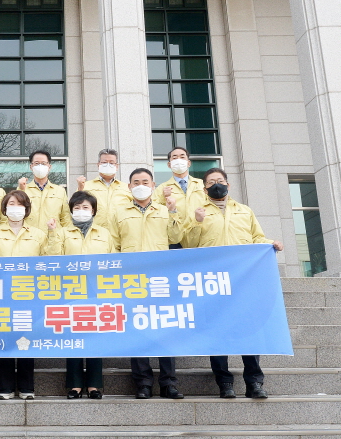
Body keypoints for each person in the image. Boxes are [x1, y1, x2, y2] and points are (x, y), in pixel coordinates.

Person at [187, 167, 284, 400]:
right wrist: (197, 223)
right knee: (217, 332)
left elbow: (256, 238)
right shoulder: (198, 212)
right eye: (211, 182)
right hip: (212, 282)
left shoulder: (244, 211)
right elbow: (188, 243)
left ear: (228, 185)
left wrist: (271, 243)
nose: (216, 185)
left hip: (243, 282)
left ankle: (254, 382)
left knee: (248, 330)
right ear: (204, 188)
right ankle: (224, 382)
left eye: (220, 181)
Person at [108, 167, 186, 400]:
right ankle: (143, 383)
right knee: (138, 331)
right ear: (129, 187)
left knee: (164, 330)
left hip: (160, 278)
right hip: (132, 279)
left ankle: (168, 382)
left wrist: (173, 213)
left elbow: (176, 238)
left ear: (153, 186)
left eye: (145, 181)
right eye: (135, 182)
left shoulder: (164, 210)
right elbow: (114, 246)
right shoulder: (119, 213)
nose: (140, 185)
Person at [0, 190, 60, 399]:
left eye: (20, 204)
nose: (15, 208)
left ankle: (26, 388)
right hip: (3, 293)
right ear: (5, 209)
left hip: (29, 293)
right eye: (11, 204)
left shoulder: (38, 233)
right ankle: (4, 388)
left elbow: (50, 260)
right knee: (5, 337)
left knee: (26, 338)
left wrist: (52, 233)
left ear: (26, 209)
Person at [59, 191, 115, 399]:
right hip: (71, 290)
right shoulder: (63, 232)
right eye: (77, 208)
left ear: (93, 211)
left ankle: (94, 385)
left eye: (85, 208)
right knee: (73, 337)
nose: (81, 211)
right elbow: (55, 257)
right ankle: (74, 385)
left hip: (97, 291)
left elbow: (113, 262)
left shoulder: (104, 234)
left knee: (94, 337)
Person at [151, 146, 206, 249]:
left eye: (182, 157)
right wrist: (163, 198)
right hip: (174, 238)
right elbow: (153, 210)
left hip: (199, 234)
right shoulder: (162, 188)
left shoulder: (201, 184)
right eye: (174, 158)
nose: (178, 160)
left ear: (188, 163)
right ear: (169, 164)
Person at [76, 148, 132, 228]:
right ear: (98, 165)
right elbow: (75, 207)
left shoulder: (127, 187)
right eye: (104, 162)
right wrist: (80, 189)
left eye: (111, 163)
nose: (108, 165)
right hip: (94, 234)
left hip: (120, 234)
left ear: (117, 166)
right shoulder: (85, 186)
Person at [17, 150, 72, 229]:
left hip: (53, 237)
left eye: (43, 163)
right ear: (31, 167)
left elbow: (65, 219)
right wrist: (21, 190)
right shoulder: (23, 189)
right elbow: (17, 215)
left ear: (49, 167)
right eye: (36, 163)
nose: (40, 166)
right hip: (29, 238)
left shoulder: (60, 191)